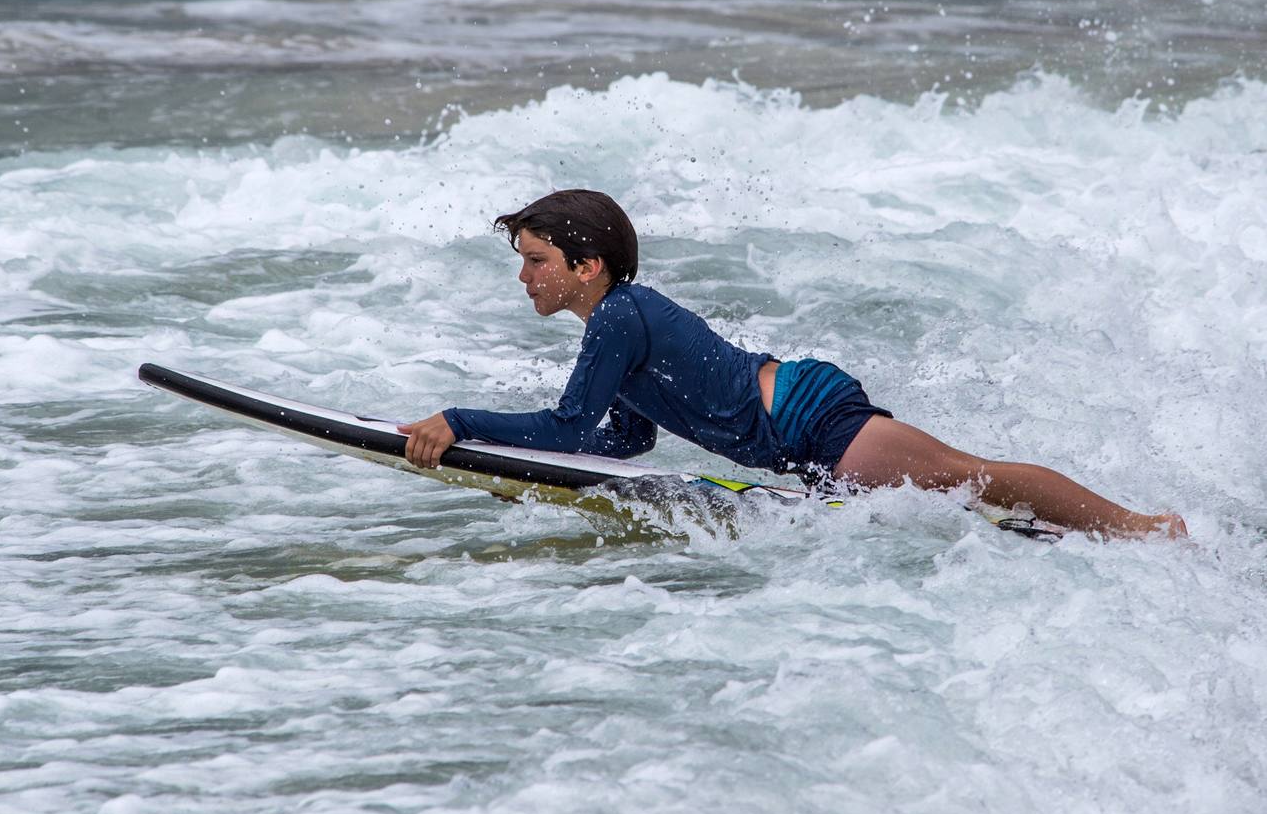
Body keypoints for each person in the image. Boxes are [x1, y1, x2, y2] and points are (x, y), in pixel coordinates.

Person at [399, 190, 1186, 540]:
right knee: (963, 495)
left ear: (587, 264)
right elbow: (621, 443)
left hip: (809, 415)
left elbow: (570, 424)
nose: (524, 276)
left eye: (536, 260)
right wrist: (509, 470)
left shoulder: (619, 318)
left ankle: (1142, 528)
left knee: (969, 475)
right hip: (797, 435)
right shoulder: (619, 326)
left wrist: (460, 424)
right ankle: (1081, 532)